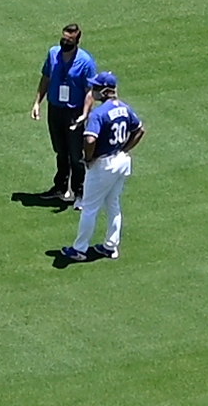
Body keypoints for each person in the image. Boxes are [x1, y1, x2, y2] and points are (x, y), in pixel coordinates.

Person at [53, 72, 141, 266]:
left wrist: (88, 157)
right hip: (120, 161)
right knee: (113, 203)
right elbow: (139, 129)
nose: (93, 91)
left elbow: (90, 139)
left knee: (89, 208)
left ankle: (79, 249)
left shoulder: (98, 114)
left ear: (105, 90)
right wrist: (124, 150)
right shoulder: (125, 108)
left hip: (103, 165)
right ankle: (111, 246)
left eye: (96, 88)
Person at [18, 24, 97, 208]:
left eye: (69, 40)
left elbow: (89, 91)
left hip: (74, 112)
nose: (65, 42)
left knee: (76, 154)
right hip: (55, 109)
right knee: (60, 151)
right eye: (63, 38)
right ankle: (60, 187)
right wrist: (37, 102)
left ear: (77, 41)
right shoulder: (53, 54)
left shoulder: (85, 62)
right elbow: (46, 78)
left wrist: (85, 115)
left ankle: (80, 192)